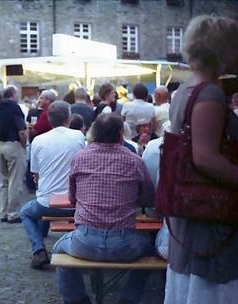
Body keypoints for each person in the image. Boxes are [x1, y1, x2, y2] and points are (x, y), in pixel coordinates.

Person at [164, 15, 238, 304]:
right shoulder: (209, 93)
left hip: (193, 210)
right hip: (210, 212)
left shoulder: (186, 89)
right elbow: (206, 158)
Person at [53, 113, 155, 304]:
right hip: (125, 243)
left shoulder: (79, 158)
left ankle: (77, 299)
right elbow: (148, 199)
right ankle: (129, 299)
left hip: (84, 241)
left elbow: (72, 198)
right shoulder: (135, 160)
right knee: (152, 252)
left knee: (58, 252)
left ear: (94, 134)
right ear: (120, 135)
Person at [21, 101, 85, 269]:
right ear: (69, 118)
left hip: (47, 203)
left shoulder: (38, 140)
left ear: (49, 119)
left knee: (26, 212)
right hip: (74, 202)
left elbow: (35, 173)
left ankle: (39, 249)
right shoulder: (78, 136)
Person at [0, 85, 27, 223]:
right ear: (12, 94)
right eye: (17, 93)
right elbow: (21, 130)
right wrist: (24, 144)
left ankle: (3, 213)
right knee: (15, 181)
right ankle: (13, 214)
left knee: (3, 181)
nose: (18, 96)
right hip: (13, 145)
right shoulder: (15, 108)